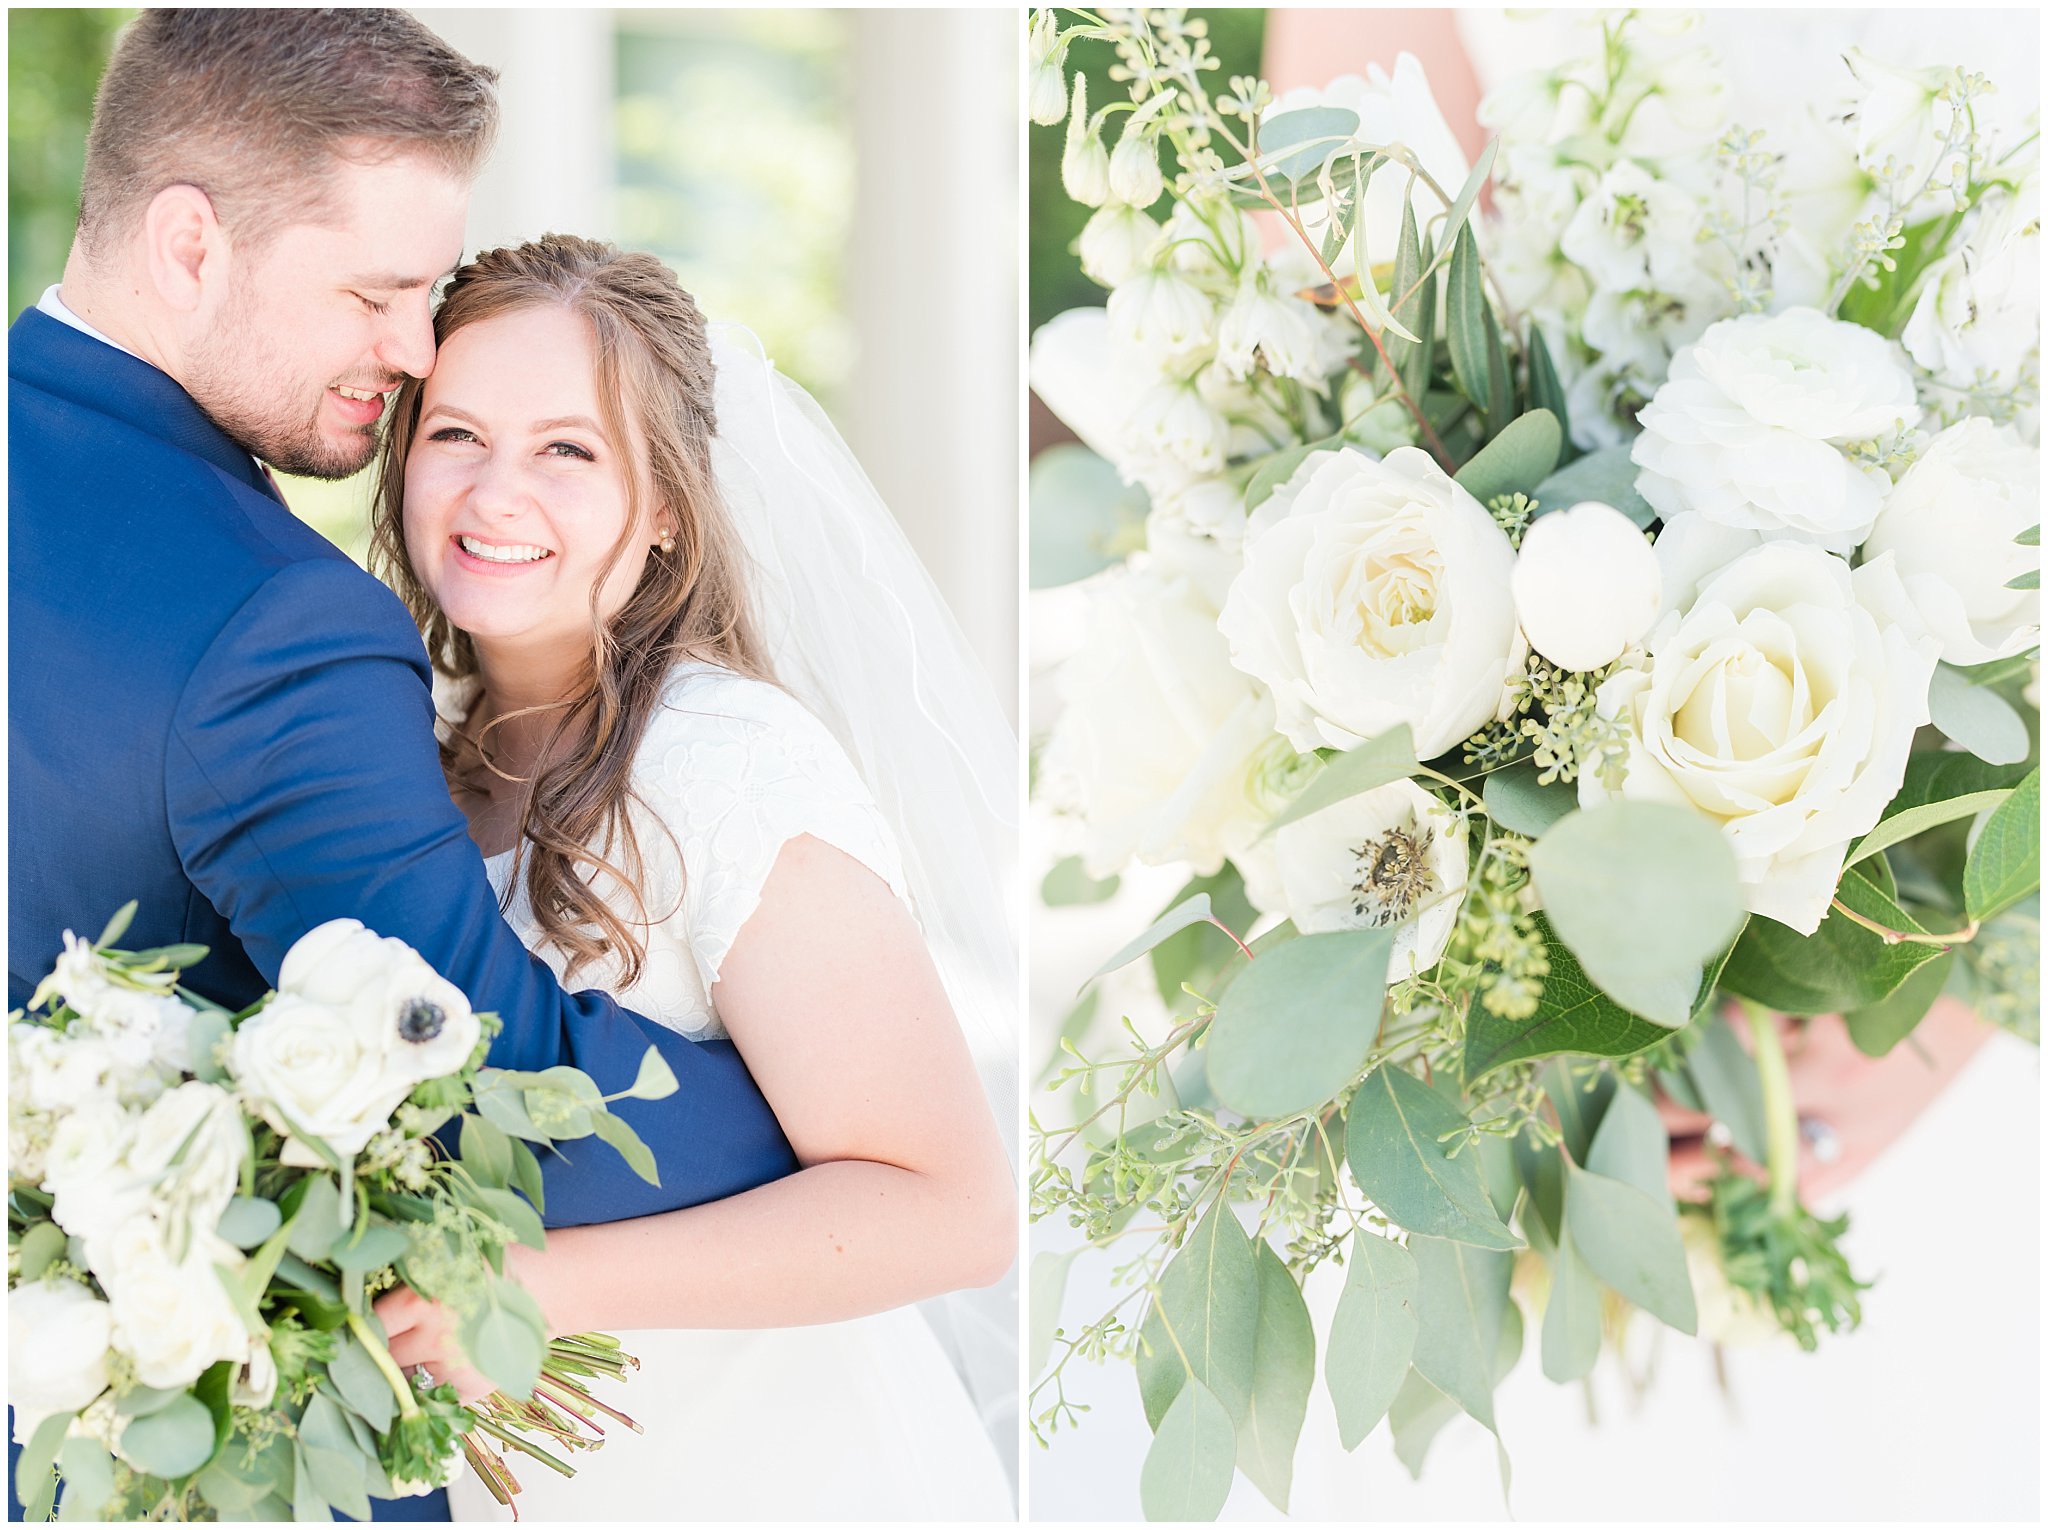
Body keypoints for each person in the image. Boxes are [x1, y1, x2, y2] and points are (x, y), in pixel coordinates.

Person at [8, 12, 794, 1519]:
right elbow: (483, 1090)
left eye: (429, 292)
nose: (416, 354)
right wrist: (821, 1107)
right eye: (374, 292)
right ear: (190, 246)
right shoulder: (273, 624)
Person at [362, 236, 1018, 1520]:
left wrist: (538, 1284)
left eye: (566, 450)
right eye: (457, 435)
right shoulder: (397, 756)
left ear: (664, 506)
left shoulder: (726, 770)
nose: (495, 494)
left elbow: (951, 1210)